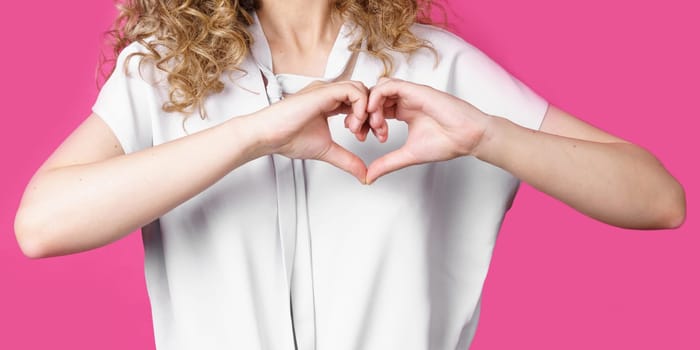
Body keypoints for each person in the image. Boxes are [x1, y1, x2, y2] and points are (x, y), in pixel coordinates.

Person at [13, 0, 685, 349]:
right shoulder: (163, 75)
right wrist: (252, 136)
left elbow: (659, 198)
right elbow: (40, 224)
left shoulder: (434, 68)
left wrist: (488, 135)